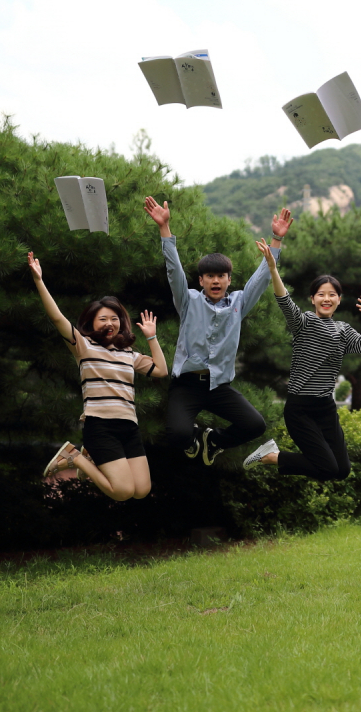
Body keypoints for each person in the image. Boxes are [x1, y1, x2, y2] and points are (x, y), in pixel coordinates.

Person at [144, 197, 294, 466]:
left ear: (228, 279)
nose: (216, 281)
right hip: (186, 385)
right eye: (210, 276)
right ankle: (194, 440)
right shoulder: (188, 301)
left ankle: (213, 441)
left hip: (218, 386)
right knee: (178, 435)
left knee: (255, 425)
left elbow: (261, 280)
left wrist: (276, 240)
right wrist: (164, 228)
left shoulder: (239, 303)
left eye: (221, 276)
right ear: (201, 280)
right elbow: (174, 271)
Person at [242, 239, 361, 480]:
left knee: (342, 470)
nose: (326, 299)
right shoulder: (304, 323)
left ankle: (274, 456)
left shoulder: (343, 330)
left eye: (332, 295)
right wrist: (273, 269)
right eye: (321, 294)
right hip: (300, 408)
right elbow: (284, 300)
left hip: (325, 408)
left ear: (339, 300)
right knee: (327, 468)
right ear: (312, 299)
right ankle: (272, 456)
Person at [29, 252, 168, 500]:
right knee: (122, 492)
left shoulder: (129, 354)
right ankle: (75, 457)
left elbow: (161, 370)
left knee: (142, 490)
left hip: (129, 425)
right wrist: (39, 281)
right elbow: (57, 317)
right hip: (101, 426)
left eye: (114, 318)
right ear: (91, 323)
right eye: (102, 319)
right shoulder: (83, 346)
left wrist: (152, 337)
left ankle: (88, 458)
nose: (109, 323)